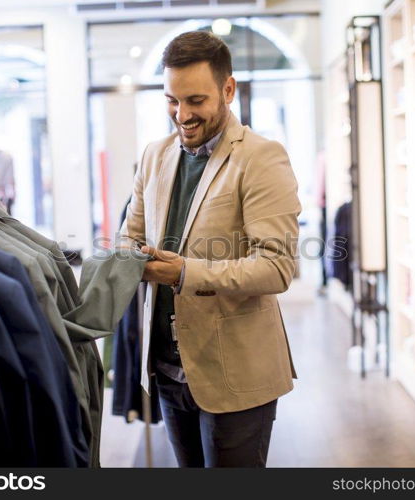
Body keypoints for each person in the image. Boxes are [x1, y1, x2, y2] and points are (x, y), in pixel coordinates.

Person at [119, 30, 301, 467]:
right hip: (165, 370)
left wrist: (184, 272)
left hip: (236, 373)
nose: (181, 115)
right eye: (171, 100)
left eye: (195, 101)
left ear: (228, 89)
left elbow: (276, 267)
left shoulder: (261, 157)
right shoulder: (153, 156)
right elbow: (131, 235)